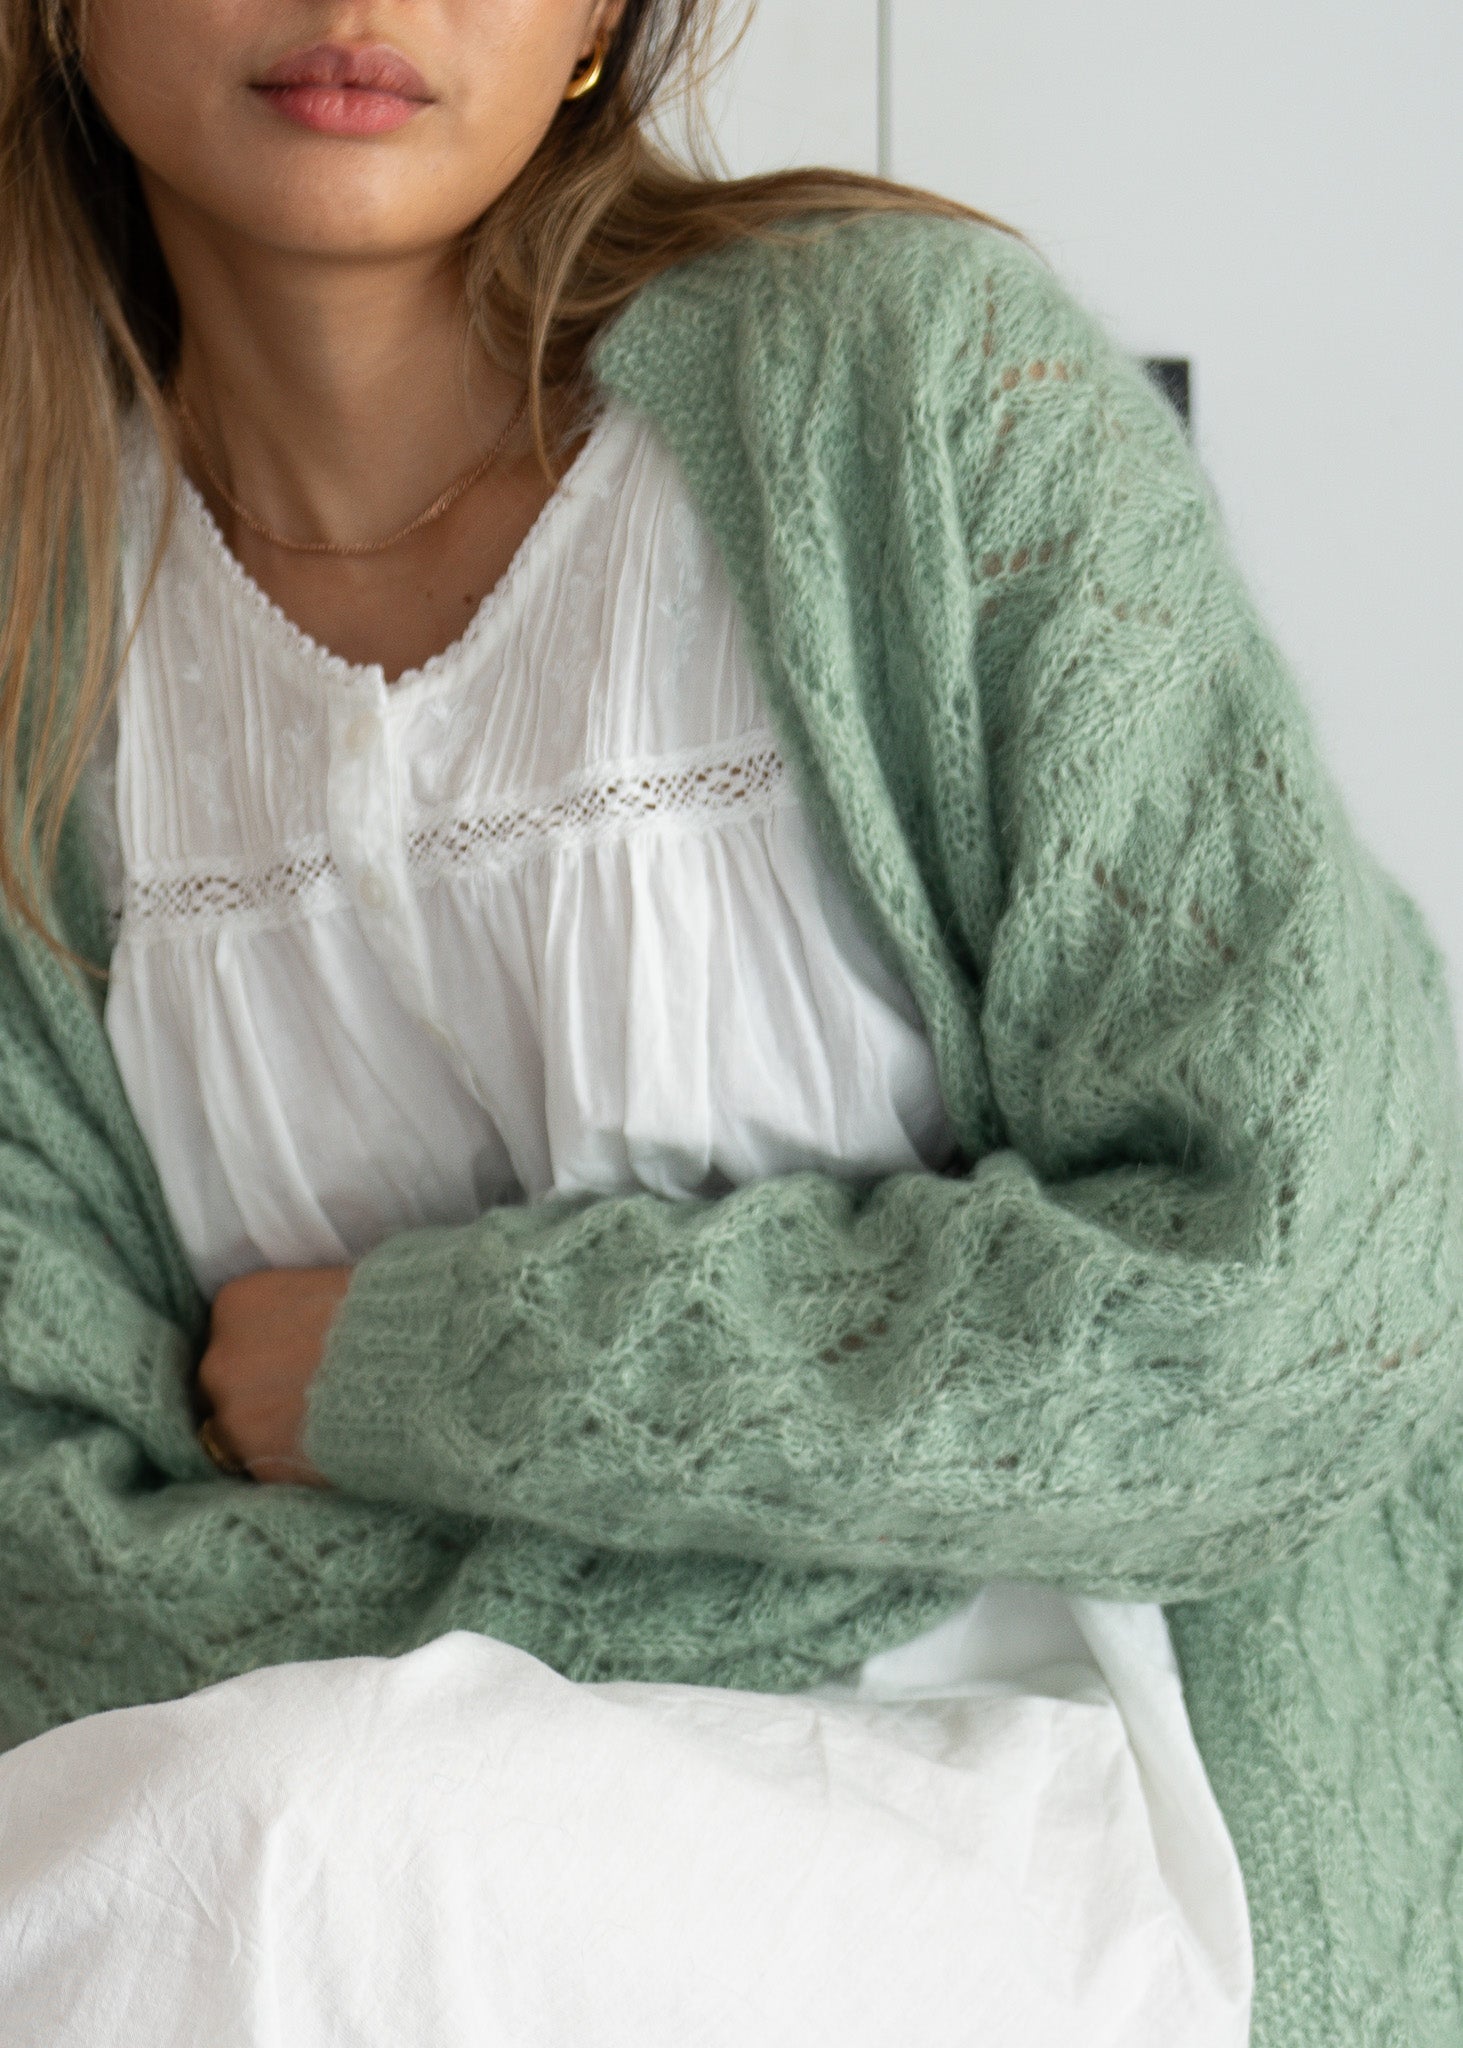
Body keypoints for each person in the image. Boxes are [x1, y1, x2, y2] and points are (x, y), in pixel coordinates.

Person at [0, 2, 1458, 2044]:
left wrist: (428, 1372)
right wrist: (748, 1543)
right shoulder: (36, 638)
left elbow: (1316, 1299)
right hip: (319, 1851)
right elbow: (47, 1591)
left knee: (280, 1854)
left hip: (1071, 1807)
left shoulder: (915, 402)